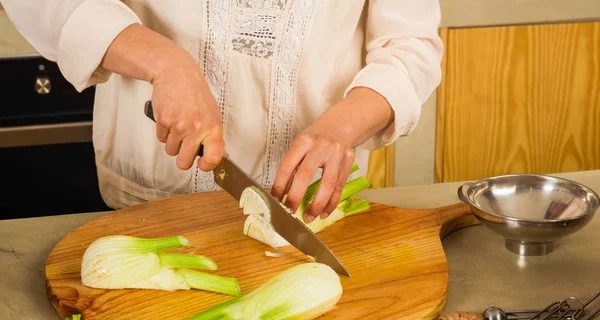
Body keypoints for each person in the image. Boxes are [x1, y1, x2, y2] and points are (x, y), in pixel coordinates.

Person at [2, 1, 443, 222]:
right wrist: (164, 63)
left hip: (311, 210)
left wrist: (343, 126)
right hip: (150, 203)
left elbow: (410, 46)